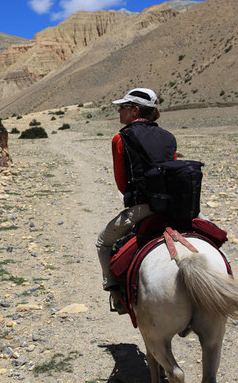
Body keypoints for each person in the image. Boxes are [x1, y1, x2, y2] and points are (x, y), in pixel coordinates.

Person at [95, 88, 177, 314]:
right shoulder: (169, 136)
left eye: (122, 107)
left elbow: (122, 184)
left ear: (135, 110)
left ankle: (115, 293)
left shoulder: (120, 138)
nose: (119, 111)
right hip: (175, 207)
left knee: (103, 242)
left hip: (144, 208)